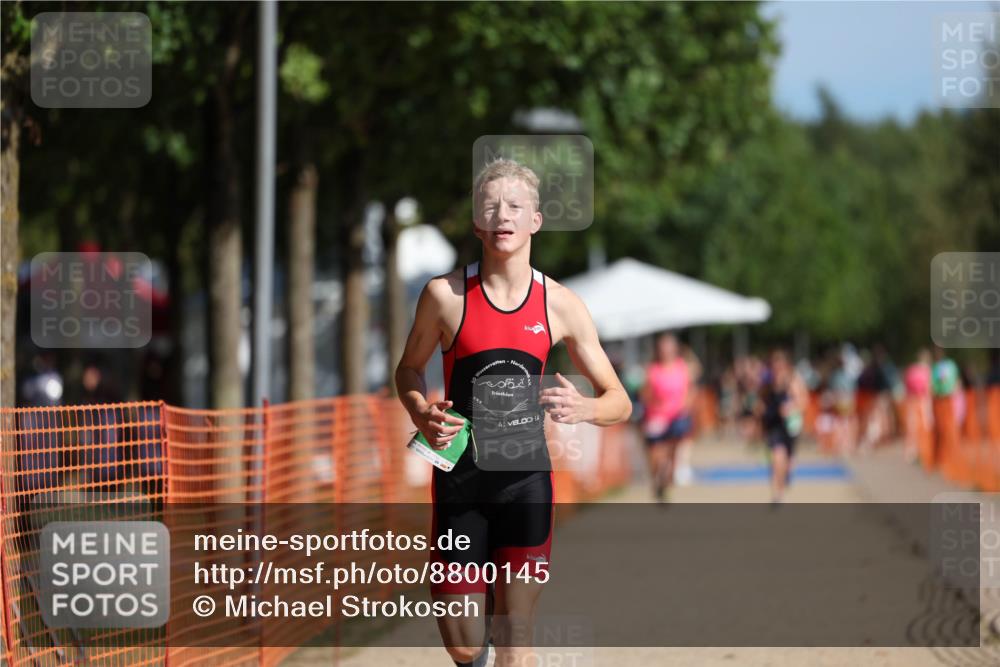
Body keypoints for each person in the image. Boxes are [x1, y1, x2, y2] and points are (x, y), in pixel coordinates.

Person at [395, 158, 632, 667]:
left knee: (514, 634)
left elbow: (620, 400)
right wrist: (420, 411)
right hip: (459, 479)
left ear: (536, 221)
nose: (503, 216)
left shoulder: (560, 304)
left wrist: (584, 406)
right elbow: (408, 370)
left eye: (515, 207)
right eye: (491, 207)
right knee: (462, 642)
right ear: (478, 222)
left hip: (524, 479)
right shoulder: (445, 296)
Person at [639, 332, 693, 503]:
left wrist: (685, 407)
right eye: (663, 346)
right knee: (656, 455)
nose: (666, 350)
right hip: (656, 417)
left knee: (671, 453)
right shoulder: (652, 370)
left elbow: (689, 391)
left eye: (669, 346)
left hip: (677, 417)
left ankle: (665, 480)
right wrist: (656, 402)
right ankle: (658, 478)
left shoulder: (682, 367)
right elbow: (644, 395)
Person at [758, 349, 808, 506]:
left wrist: (791, 407)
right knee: (776, 458)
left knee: (787, 461)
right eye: (774, 365)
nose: (776, 368)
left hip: (790, 426)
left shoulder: (793, 380)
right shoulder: (767, 382)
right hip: (773, 426)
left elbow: (803, 402)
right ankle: (777, 495)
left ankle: (786, 476)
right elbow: (762, 400)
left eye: (779, 364)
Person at [903, 349, 933, 464]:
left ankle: (912, 452)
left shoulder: (912, 370)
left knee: (913, 427)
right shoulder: (927, 371)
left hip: (912, 400)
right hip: (923, 401)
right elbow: (929, 388)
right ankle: (922, 451)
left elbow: (907, 385)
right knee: (925, 426)